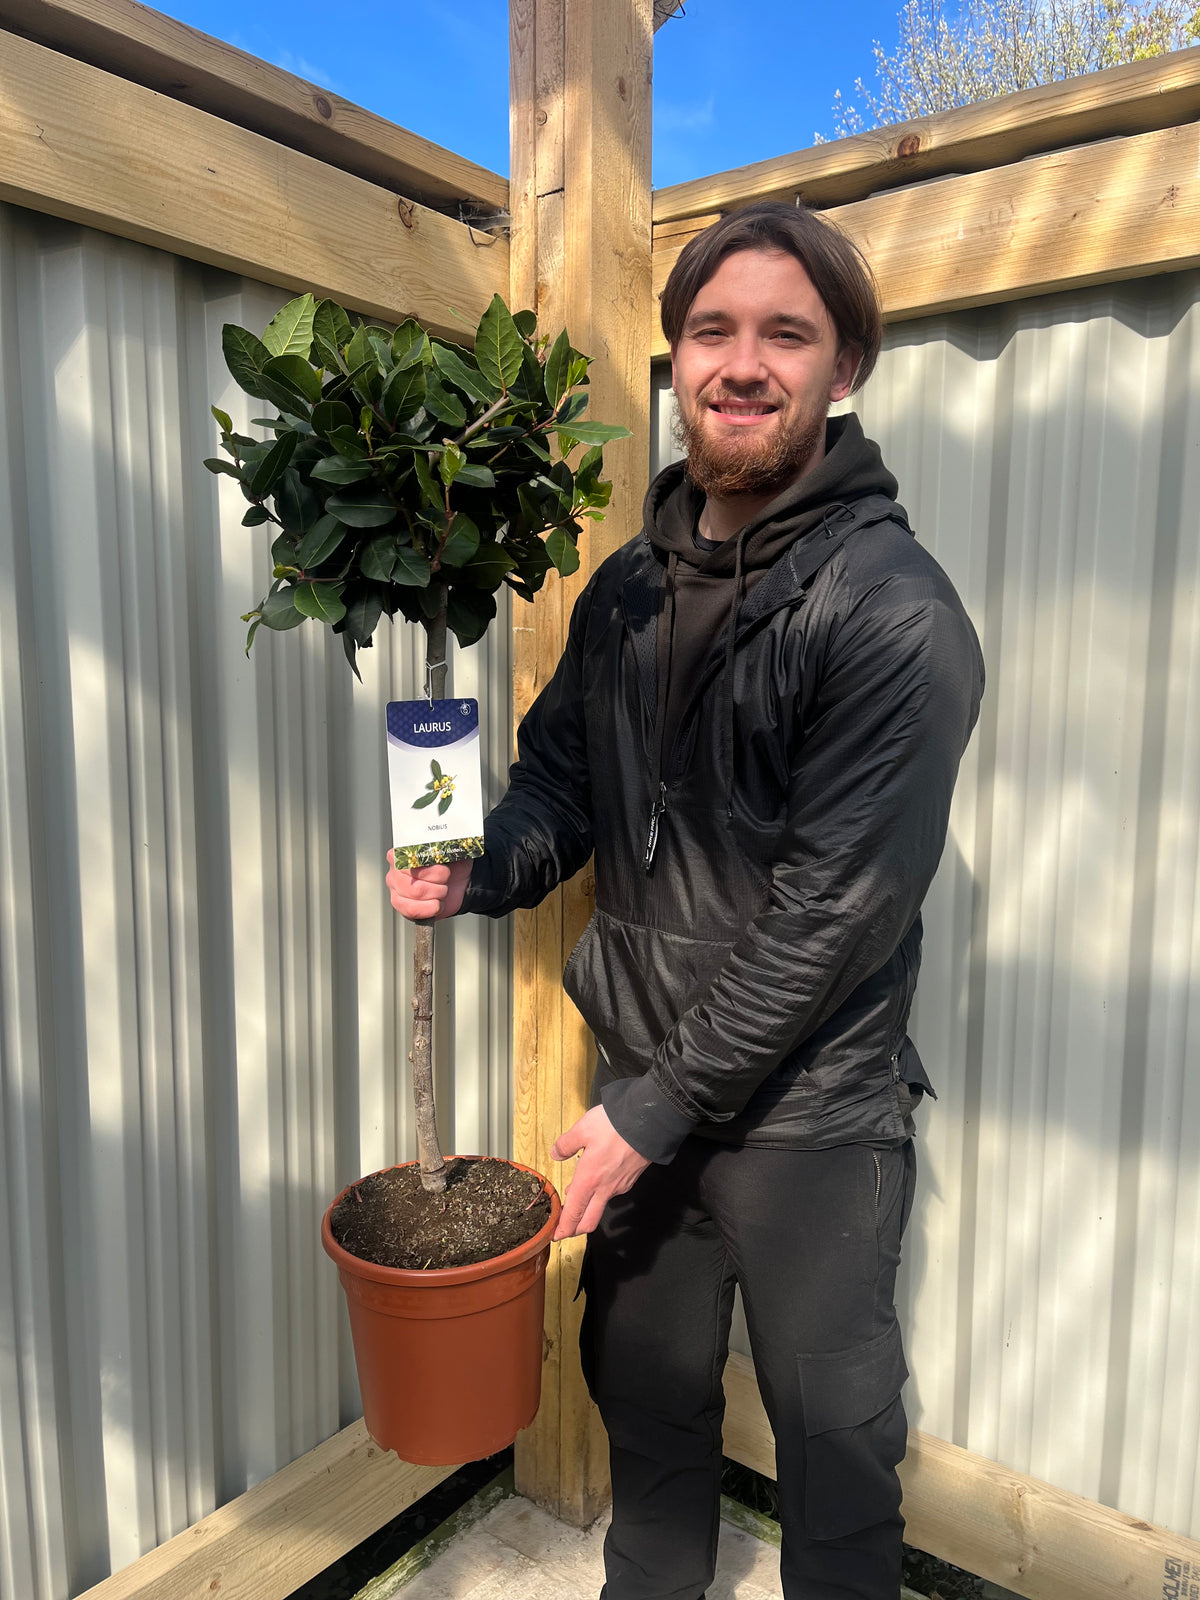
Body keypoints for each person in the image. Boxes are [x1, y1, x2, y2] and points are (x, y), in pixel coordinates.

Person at [387, 201, 984, 1600]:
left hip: (810, 1114)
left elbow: (835, 914)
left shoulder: (895, 612)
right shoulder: (623, 595)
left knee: (836, 1439)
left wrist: (654, 1112)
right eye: (712, 330)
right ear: (675, 362)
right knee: (644, 1400)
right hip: (642, 1094)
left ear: (846, 370)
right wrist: (486, 870)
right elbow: (557, 787)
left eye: (788, 332)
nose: (743, 361)